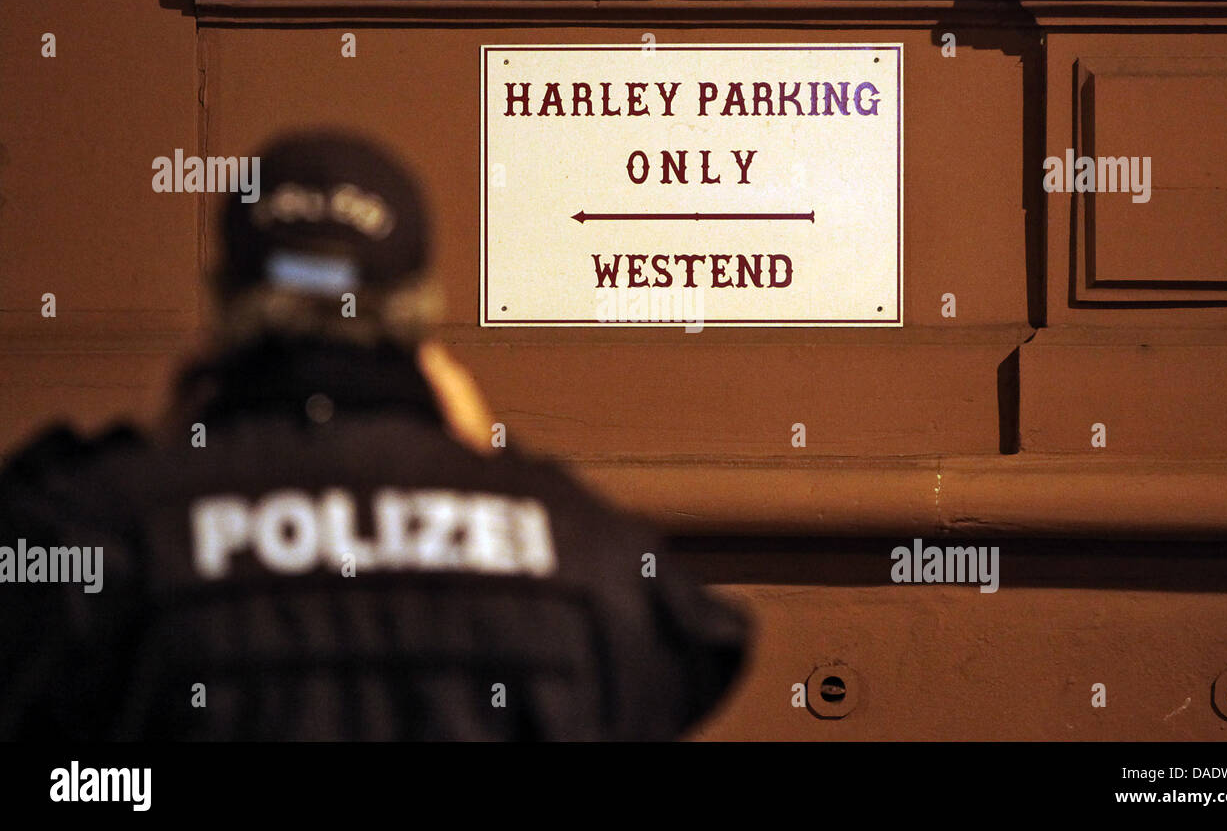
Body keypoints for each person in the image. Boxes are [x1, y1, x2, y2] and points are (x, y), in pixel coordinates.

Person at [0, 131, 749, 740]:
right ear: (419, 312)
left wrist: (154, 451)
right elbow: (695, 651)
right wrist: (494, 462)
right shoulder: (573, 549)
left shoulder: (109, 530)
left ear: (225, 305)